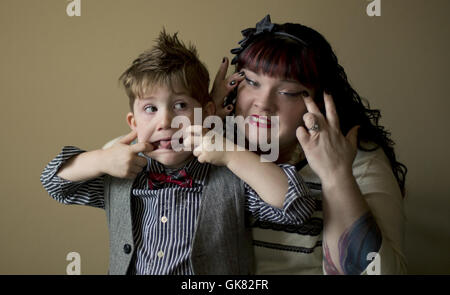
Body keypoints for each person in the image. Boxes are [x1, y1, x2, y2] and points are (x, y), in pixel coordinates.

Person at [39, 30, 316, 275]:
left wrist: (232, 155)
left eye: (181, 105)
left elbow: (297, 207)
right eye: (150, 109)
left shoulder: (231, 175)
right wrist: (101, 158)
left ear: (206, 113)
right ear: (133, 123)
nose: (166, 122)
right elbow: (54, 182)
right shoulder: (120, 175)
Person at [211, 15, 407, 274]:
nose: (263, 103)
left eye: (287, 92)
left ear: (320, 99)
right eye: (252, 82)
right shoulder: (214, 142)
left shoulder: (358, 160)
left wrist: (336, 177)